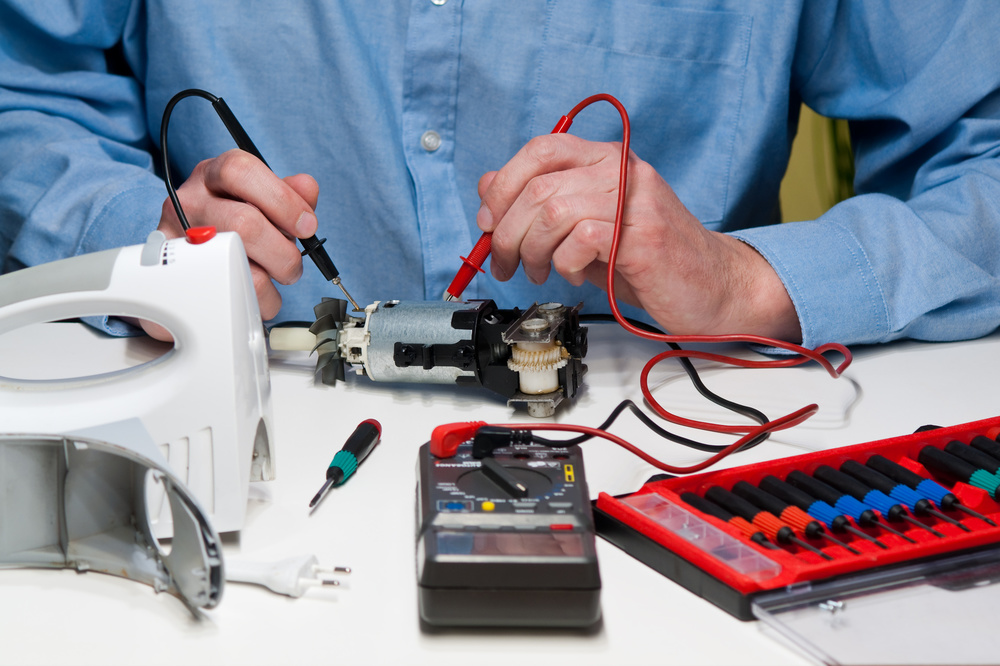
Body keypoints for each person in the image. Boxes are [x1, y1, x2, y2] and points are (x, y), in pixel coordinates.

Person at [2, 2, 999, 350]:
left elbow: (983, 153)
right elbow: (22, 94)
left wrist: (746, 283)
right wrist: (134, 237)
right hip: (222, 428)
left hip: (670, 460)